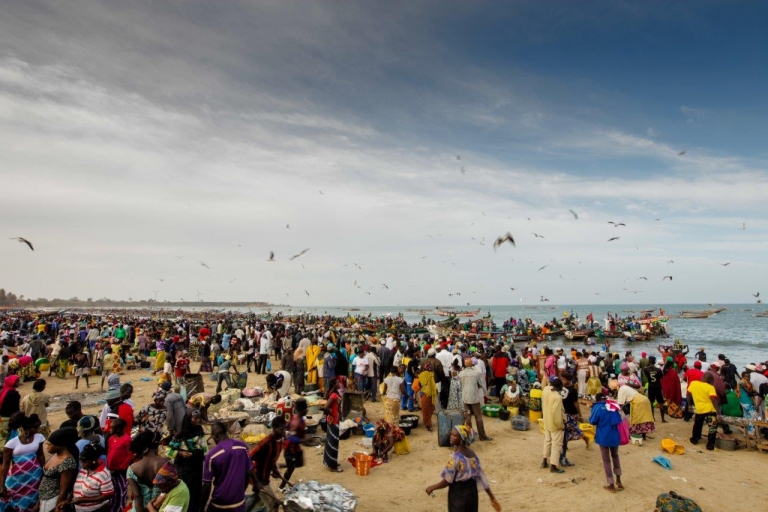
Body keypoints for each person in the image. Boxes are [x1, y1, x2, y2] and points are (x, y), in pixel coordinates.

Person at [425, 425, 500, 512]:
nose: (451, 437)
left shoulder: (455, 458)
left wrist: (432, 487)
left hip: (458, 495)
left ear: (461, 439)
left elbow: (447, 480)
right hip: (472, 493)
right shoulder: (472, 454)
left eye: (455, 436)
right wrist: (491, 497)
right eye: (451, 434)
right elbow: (481, 476)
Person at [203, 422, 251, 512]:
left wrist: (201, 508)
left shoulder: (212, 455)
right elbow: (249, 472)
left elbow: (206, 485)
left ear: (216, 435)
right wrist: (241, 491)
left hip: (220, 502)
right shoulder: (243, 447)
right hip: (238, 501)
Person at [0, 413, 45, 511]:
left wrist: (44, 470)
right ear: (27, 428)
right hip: (17, 477)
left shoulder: (39, 437)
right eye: (35, 428)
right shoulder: (11, 443)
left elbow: (40, 455)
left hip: (35, 475)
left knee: (33, 498)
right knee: (12, 498)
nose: (37, 430)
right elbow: (5, 465)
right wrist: (2, 485)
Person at [167, 410, 207, 512]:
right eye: (195, 418)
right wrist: (181, 453)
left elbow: (204, 447)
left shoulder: (199, 431)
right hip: (185, 467)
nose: (198, 420)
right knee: (186, 487)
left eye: (199, 418)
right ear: (189, 419)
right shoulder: (180, 434)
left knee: (196, 488)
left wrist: (205, 456)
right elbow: (169, 451)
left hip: (197, 465)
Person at [589, 395, 624, 493]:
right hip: (614, 436)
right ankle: (619, 480)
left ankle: (611, 484)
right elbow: (619, 420)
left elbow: (592, 421)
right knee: (615, 456)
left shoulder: (597, 407)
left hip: (603, 436)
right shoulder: (613, 405)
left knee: (606, 461)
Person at [249, 416, 286, 508]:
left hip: (264, 478)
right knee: (273, 505)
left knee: (257, 501)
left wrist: (274, 470)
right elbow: (248, 458)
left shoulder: (280, 441)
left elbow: (271, 459)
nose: (284, 432)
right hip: (260, 478)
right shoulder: (266, 444)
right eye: (281, 429)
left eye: (284, 429)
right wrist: (256, 481)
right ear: (274, 429)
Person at [127, 431, 169, 512]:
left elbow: (137, 496)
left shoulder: (131, 469)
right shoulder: (167, 462)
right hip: (161, 507)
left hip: (140, 508)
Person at [39, 427, 79, 512]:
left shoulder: (67, 461)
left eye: (50, 444)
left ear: (60, 445)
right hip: (44, 496)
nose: (47, 447)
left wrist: (58, 505)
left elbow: (64, 488)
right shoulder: (55, 455)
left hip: (53, 498)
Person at [70, 443, 114, 512]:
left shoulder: (103, 474)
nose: (82, 464)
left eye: (85, 462)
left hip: (96, 509)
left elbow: (108, 495)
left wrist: (83, 500)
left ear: (94, 460)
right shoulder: (84, 469)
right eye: (81, 461)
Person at [458, 359, 491, 441]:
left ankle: (469, 436)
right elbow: (480, 384)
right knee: (478, 417)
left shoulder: (461, 374)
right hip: (474, 398)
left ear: (465, 365)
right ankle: (482, 436)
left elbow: (460, 385)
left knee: (468, 418)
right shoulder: (476, 373)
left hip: (465, 398)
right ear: (472, 364)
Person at [560, 374, 588, 468]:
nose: (563, 381)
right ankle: (564, 450)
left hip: (571, 413)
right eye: (562, 379)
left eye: (564, 379)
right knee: (565, 432)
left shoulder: (573, 390)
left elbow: (576, 403)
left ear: (569, 380)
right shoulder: (561, 387)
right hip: (563, 414)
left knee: (571, 430)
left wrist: (580, 415)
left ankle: (584, 437)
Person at [687, 372, 720, 450]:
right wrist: (718, 412)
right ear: (710, 380)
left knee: (697, 425)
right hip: (710, 410)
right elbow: (713, 399)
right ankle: (710, 445)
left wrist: (689, 405)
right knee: (712, 427)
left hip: (700, 409)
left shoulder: (693, 383)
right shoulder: (710, 387)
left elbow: (688, 394)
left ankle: (695, 439)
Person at [281, 399, 308, 490]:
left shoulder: (296, 418)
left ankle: (285, 465)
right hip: (290, 448)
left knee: (300, 462)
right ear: (303, 410)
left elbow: (287, 429)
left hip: (294, 448)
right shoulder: (298, 422)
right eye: (306, 408)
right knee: (290, 470)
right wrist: (302, 440)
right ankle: (281, 486)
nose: (307, 410)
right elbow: (290, 437)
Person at [107, 418, 133, 512]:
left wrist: (121, 468)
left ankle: (120, 507)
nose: (110, 430)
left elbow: (130, 455)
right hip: (111, 469)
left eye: (112, 428)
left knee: (121, 490)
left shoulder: (127, 439)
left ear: (118, 429)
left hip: (120, 471)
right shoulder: (111, 439)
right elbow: (109, 452)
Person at [541, 378, 566, 473]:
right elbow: (556, 414)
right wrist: (561, 425)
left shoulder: (546, 390)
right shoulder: (557, 397)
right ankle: (553, 466)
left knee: (547, 441)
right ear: (559, 386)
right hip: (555, 424)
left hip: (546, 421)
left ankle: (544, 461)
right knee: (556, 445)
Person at [322, 378, 343, 473]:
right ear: (335, 385)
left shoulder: (335, 393)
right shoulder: (334, 395)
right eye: (338, 383)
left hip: (334, 421)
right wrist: (332, 414)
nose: (339, 384)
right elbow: (326, 407)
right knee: (333, 444)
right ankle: (332, 467)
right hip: (333, 421)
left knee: (331, 442)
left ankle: (332, 462)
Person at [642, 356, 666, 422]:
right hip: (657, 386)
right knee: (660, 402)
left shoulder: (646, 369)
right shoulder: (658, 370)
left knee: (651, 402)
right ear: (655, 362)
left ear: (649, 361)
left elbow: (646, 375)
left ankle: (652, 418)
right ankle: (663, 419)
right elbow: (661, 378)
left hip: (651, 387)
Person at [417, 363, 438, 432]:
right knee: (430, 410)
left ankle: (426, 422)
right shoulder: (430, 375)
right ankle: (428, 424)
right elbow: (433, 385)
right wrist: (435, 392)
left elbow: (419, 384)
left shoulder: (420, 375)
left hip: (423, 394)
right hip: (429, 394)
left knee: (425, 410)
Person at [0, 376, 21, 442]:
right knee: (10, 437)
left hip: (3, 417)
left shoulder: (4, 391)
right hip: (11, 418)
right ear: (12, 383)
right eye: (17, 382)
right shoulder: (13, 394)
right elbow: (16, 408)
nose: (18, 383)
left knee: (3, 435)